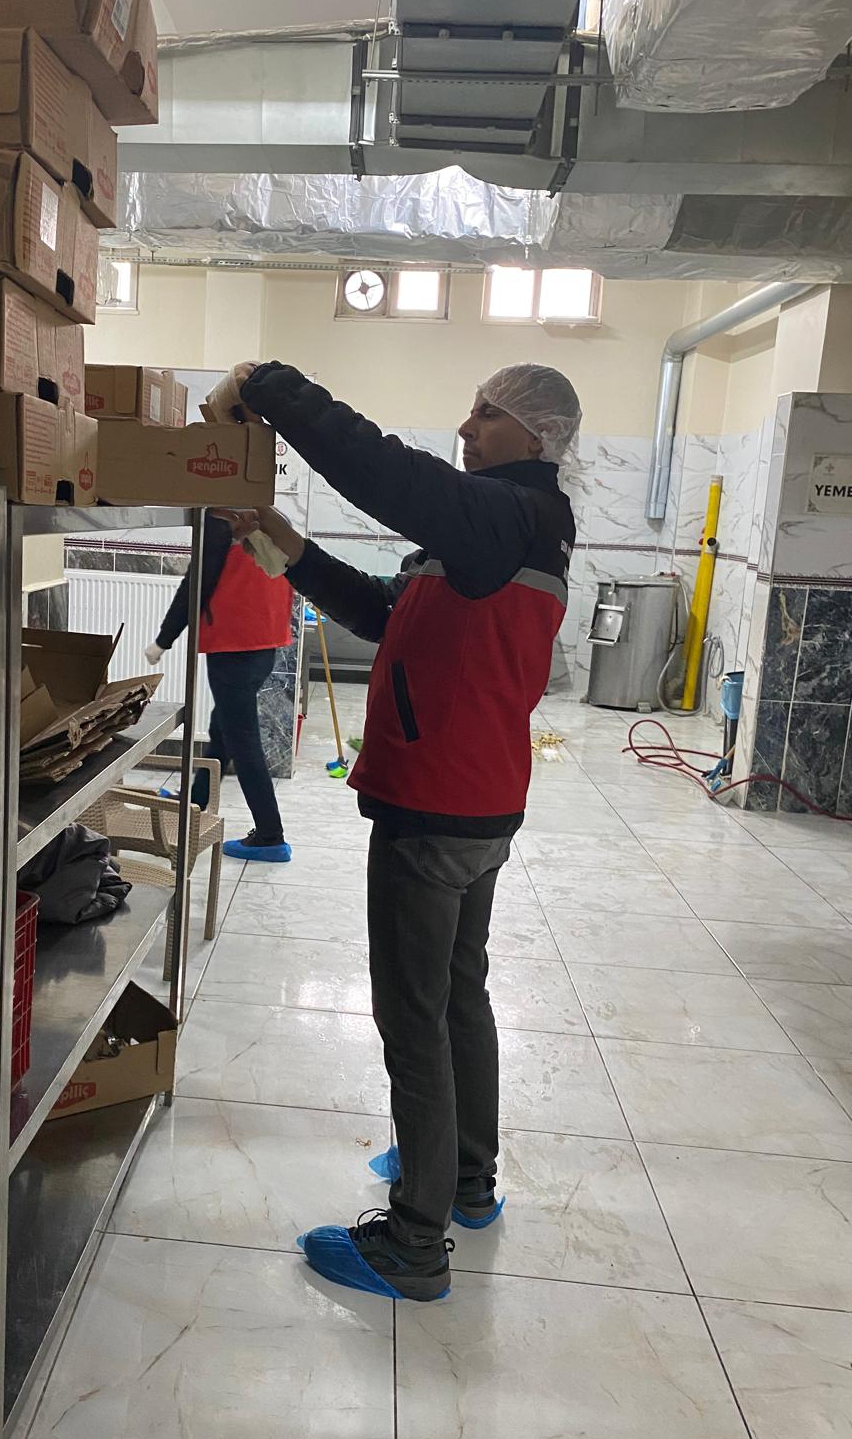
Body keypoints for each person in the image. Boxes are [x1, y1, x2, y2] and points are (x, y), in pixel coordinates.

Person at [213, 360, 580, 1301]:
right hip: (475, 801)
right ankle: (465, 1179)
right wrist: (291, 552)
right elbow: (389, 614)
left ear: (536, 435)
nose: (467, 426)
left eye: (487, 412)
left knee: (412, 1017)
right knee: (456, 994)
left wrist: (273, 387)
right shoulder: (507, 527)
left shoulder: (508, 512)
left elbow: (386, 473)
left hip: (436, 807)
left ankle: (415, 1241)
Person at [146, 509, 293, 862]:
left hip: (233, 647)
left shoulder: (219, 517)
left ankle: (270, 836)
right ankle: (195, 801)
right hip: (264, 643)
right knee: (223, 727)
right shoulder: (267, 515)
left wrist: (164, 640)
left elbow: (197, 583)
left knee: (243, 741)